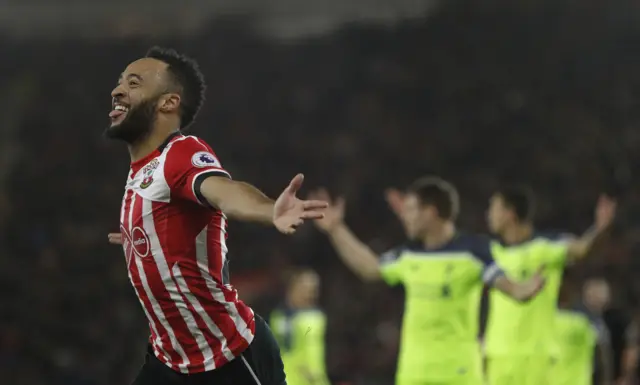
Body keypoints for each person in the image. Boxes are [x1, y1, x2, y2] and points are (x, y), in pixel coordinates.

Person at [104, 46, 328, 385]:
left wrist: (269, 209)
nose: (117, 90)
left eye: (133, 83)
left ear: (168, 102)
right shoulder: (140, 173)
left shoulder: (181, 152)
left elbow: (225, 191)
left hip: (225, 357)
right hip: (169, 360)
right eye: (120, 82)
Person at [308, 177, 545, 385]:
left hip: (459, 374)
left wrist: (526, 289)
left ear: (430, 212)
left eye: (411, 210)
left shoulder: (473, 252)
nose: (405, 217)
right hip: (413, 374)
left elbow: (511, 288)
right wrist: (336, 230)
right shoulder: (409, 255)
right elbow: (370, 268)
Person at [483, 186, 616, 385]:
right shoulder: (491, 253)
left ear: (509, 213)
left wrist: (599, 228)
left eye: (493, 208)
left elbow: (581, 249)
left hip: (535, 358)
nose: (488, 215)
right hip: (497, 356)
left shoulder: (545, 248)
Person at [270, 269, 331, 385]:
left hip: (314, 380)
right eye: (305, 288)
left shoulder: (317, 317)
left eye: (314, 289)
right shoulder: (278, 317)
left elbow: (314, 351)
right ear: (292, 289)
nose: (310, 293)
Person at [552, 278, 614, 385]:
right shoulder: (579, 319)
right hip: (578, 375)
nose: (604, 299)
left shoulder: (598, 319)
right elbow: (601, 354)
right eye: (600, 295)